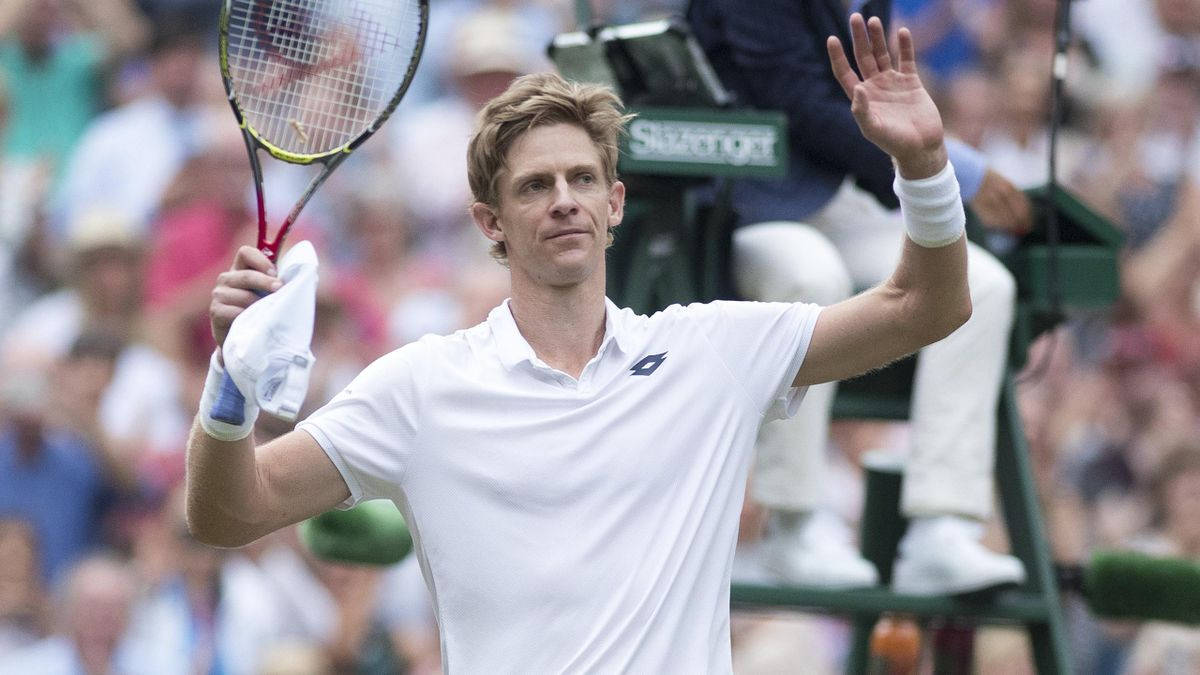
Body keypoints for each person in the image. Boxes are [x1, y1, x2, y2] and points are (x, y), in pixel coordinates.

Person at [188, 15, 971, 669]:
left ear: (615, 200)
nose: (564, 200)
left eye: (582, 179)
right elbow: (230, 511)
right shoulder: (421, 385)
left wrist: (925, 167)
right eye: (534, 186)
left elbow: (924, 306)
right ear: (489, 223)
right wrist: (231, 385)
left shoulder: (712, 351)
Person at [688, 0, 1029, 592]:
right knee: (812, 276)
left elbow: (864, 99)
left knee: (983, 282)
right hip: (747, 201)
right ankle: (791, 526)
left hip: (836, 197)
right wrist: (956, 168)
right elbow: (800, 104)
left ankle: (941, 529)